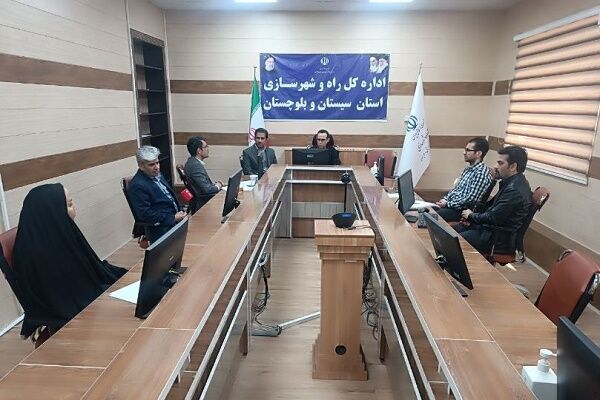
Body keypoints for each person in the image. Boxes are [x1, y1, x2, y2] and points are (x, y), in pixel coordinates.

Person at [11, 183, 127, 342]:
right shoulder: (38, 254)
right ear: (53, 211)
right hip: (75, 319)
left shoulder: (59, 233)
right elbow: (67, 298)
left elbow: (90, 266)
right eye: (70, 205)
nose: (75, 209)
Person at [454, 146, 532, 255]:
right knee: (448, 231)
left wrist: (471, 216)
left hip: (496, 239)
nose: (495, 166)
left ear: (513, 166)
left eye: (500, 163)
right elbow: (490, 209)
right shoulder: (512, 182)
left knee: (452, 241)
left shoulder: (514, 190)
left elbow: (493, 218)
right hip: (490, 230)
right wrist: (493, 180)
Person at [128, 146, 186, 243]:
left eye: (157, 163)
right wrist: (172, 218)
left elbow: (170, 197)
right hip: (161, 227)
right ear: (141, 166)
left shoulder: (157, 175)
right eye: (151, 164)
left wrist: (180, 211)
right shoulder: (138, 185)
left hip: (176, 219)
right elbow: (145, 214)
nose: (157, 167)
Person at [436, 137, 493, 222]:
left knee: (433, 216)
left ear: (478, 153)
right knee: (428, 210)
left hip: (462, 212)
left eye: (468, 150)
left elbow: (470, 199)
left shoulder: (481, 173)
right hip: (452, 206)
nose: (464, 153)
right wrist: (445, 199)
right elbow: (456, 190)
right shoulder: (468, 169)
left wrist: (447, 204)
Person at [184, 136, 224, 211]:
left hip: (203, 200)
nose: (208, 148)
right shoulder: (195, 166)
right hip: (203, 205)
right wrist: (218, 185)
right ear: (199, 151)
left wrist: (215, 185)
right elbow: (207, 190)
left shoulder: (192, 162)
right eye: (206, 146)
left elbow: (203, 186)